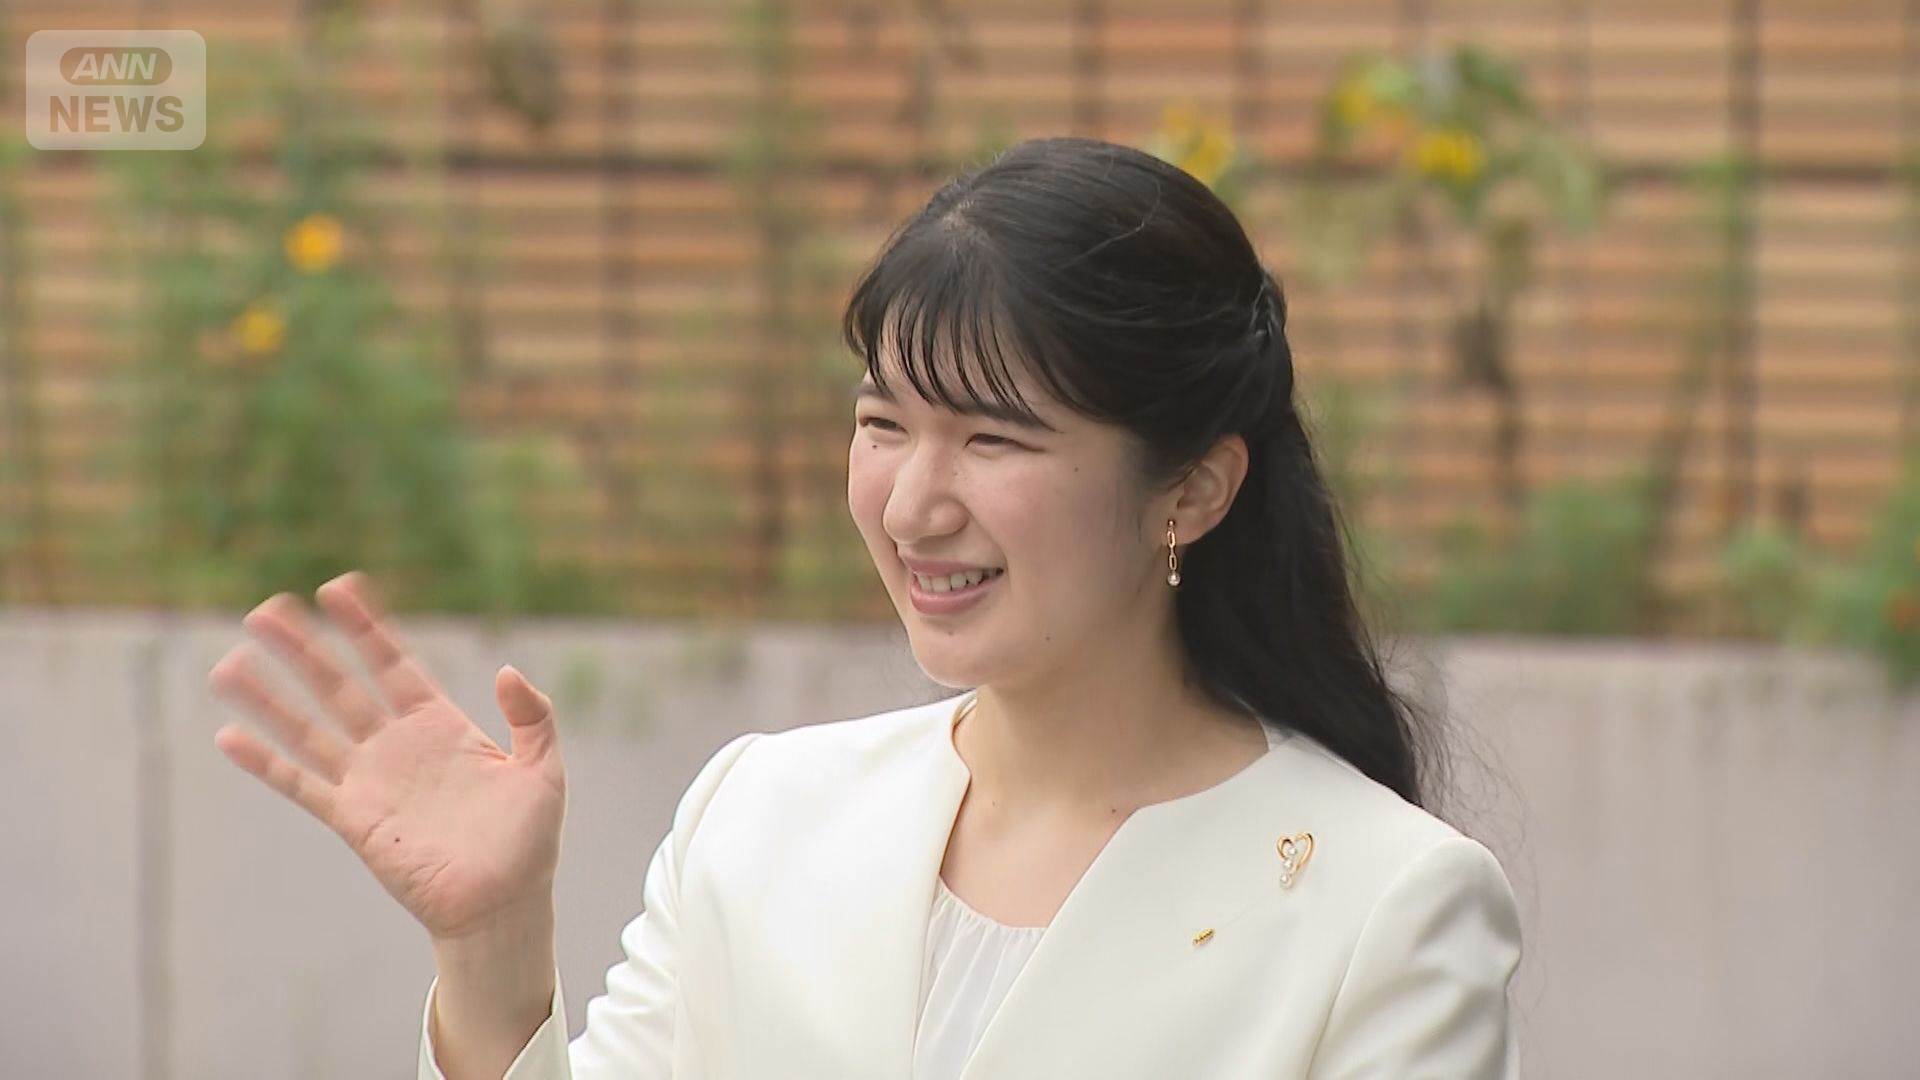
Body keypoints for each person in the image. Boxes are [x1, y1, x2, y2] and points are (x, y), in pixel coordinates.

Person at [208, 135, 1520, 1080]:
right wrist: (492, 945)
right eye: (884, 424)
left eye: (993, 440)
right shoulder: (761, 815)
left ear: (1192, 489)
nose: (913, 506)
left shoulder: (1386, 905)